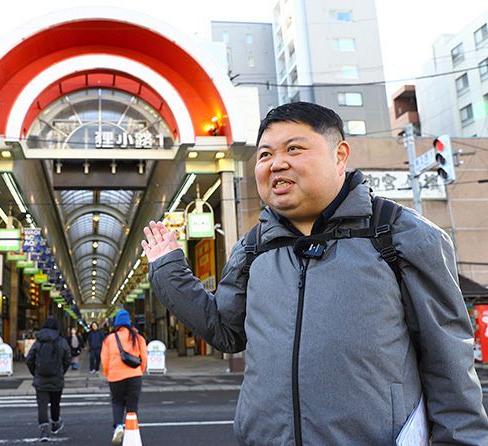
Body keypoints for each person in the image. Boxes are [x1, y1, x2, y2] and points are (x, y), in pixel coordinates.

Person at [142, 102, 488, 445]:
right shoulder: (253, 248)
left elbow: (449, 363)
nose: (277, 163)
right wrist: (168, 269)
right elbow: (225, 332)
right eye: (264, 155)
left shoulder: (399, 235)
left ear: (340, 156)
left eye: (294, 148)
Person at [101, 309, 147, 445]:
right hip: (134, 375)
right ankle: (131, 431)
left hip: (115, 376)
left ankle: (119, 427)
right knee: (132, 404)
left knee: (117, 402)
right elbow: (144, 357)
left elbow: (104, 359)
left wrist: (108, 373)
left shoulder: (110, 339)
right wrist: (140, 370)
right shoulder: (138, 338)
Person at [26, 318, 71, 441]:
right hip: (57, 378)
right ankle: (55, 424)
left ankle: (44, 431)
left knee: (42, 404)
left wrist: (35, 372)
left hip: (40, 378)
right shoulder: (61, 341)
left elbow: (29, 359)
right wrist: (61, 371)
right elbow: (68, 358)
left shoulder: (38, 341)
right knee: (55, 403)